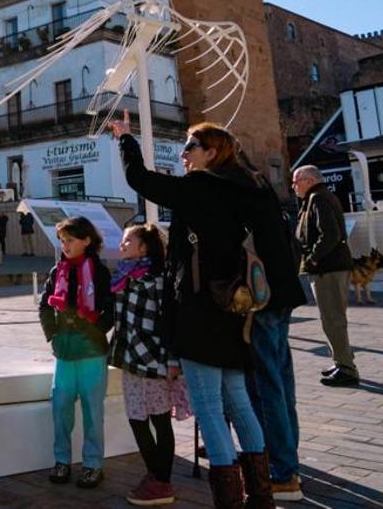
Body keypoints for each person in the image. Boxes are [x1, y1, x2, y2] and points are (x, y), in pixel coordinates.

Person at [112, 115, 273, 509]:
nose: (183, 155)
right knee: (238, 400)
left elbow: (141, 181)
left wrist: (126, 139)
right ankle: (261, 495)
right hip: (233, 309)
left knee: (209, 408)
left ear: (211, 153)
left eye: (190, 147)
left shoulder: (200, 187)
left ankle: (229, 500)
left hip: (200, 312)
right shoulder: (247, 188)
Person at [240, 153, 308, 502]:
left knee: (266, 387)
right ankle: (288, 460)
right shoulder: (264, 192)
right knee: (281, 384)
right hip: (282, 295)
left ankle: (283, 471)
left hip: (262, 299)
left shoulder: (240, 196)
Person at [109, 223, 191, 506]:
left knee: (159, 419)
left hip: (155, 359)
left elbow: (170, 322)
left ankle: (161, 480)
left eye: (127, 240)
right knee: (136, 418)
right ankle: (155, 475)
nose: (122, 245)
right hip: (130, 358)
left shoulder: (158, 279)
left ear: (144, 247)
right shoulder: (123, 277)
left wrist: (172, 360)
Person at [39, 216, 114, 490]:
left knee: (93, 411)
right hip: (65, 351)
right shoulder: (56, 270)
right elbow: (45, 305)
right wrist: (54, 336)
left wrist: (94, 331)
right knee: (60, 407)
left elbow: (110, 309)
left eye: (70, 240)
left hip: (92, 352)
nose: (65, 245)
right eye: (62, 240)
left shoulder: (100, 271)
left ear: (87, 240)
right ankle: (62, 460)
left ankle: (93, 465)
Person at [292, 165, 358, 387]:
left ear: (309, 181)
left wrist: (312, 258)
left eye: (296, 181)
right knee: (332, 318)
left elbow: (329, 234)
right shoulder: (318, 197)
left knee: (332, 319)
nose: (293, 186)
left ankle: (346, 367)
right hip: (328, 267)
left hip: (328, 268)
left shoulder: (318, 198)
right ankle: (341, 360)